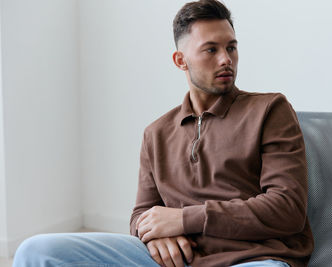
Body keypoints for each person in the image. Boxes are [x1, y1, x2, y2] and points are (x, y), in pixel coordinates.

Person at [13, 0, 313, 266]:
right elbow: (142, 214)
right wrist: (155, 238)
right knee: (37, 250)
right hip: (176, 260)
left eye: (231, 47)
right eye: (211, 49)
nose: (226, 59)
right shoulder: (156, 133)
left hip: (251, 259)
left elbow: (287, 208)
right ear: (181, 61)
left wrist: (183, 219)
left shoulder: (270, 109)